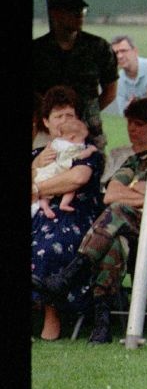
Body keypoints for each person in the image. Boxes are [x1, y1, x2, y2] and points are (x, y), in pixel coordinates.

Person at [35, 94, 147, 345]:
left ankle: (71, 274)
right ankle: (102, 323)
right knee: (115, 242)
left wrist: (141, 186)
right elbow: (111, 194)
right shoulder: (138, 160)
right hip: (131, 231)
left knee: (120, 212)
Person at [30, 86, 107, 341]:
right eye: (57, 116)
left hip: (73, 214)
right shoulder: (36, 155)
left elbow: (77, 178)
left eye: (69, 115)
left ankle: (52, 316)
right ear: (46, 123)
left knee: (51, 245)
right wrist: (35, 166)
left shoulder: (88, 153)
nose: (64, 121)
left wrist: (37, 187)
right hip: (37, 214)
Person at [32, 0, 118, 152]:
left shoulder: (99, 48)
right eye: (72, 10)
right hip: (46, 132)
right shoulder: (37, 50)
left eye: (81, 10)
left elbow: (110, 92)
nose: (79, 15)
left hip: (88, 132)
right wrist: (52, 119)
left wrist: (82, 115)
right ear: (55, 13)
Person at [105, 35, 147, 115]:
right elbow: (124, 113)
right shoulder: (119, 80)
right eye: (116, 53)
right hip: (141, 123)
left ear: (135, 51)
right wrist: (130, 108)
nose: (119, 56)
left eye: (123, 51)